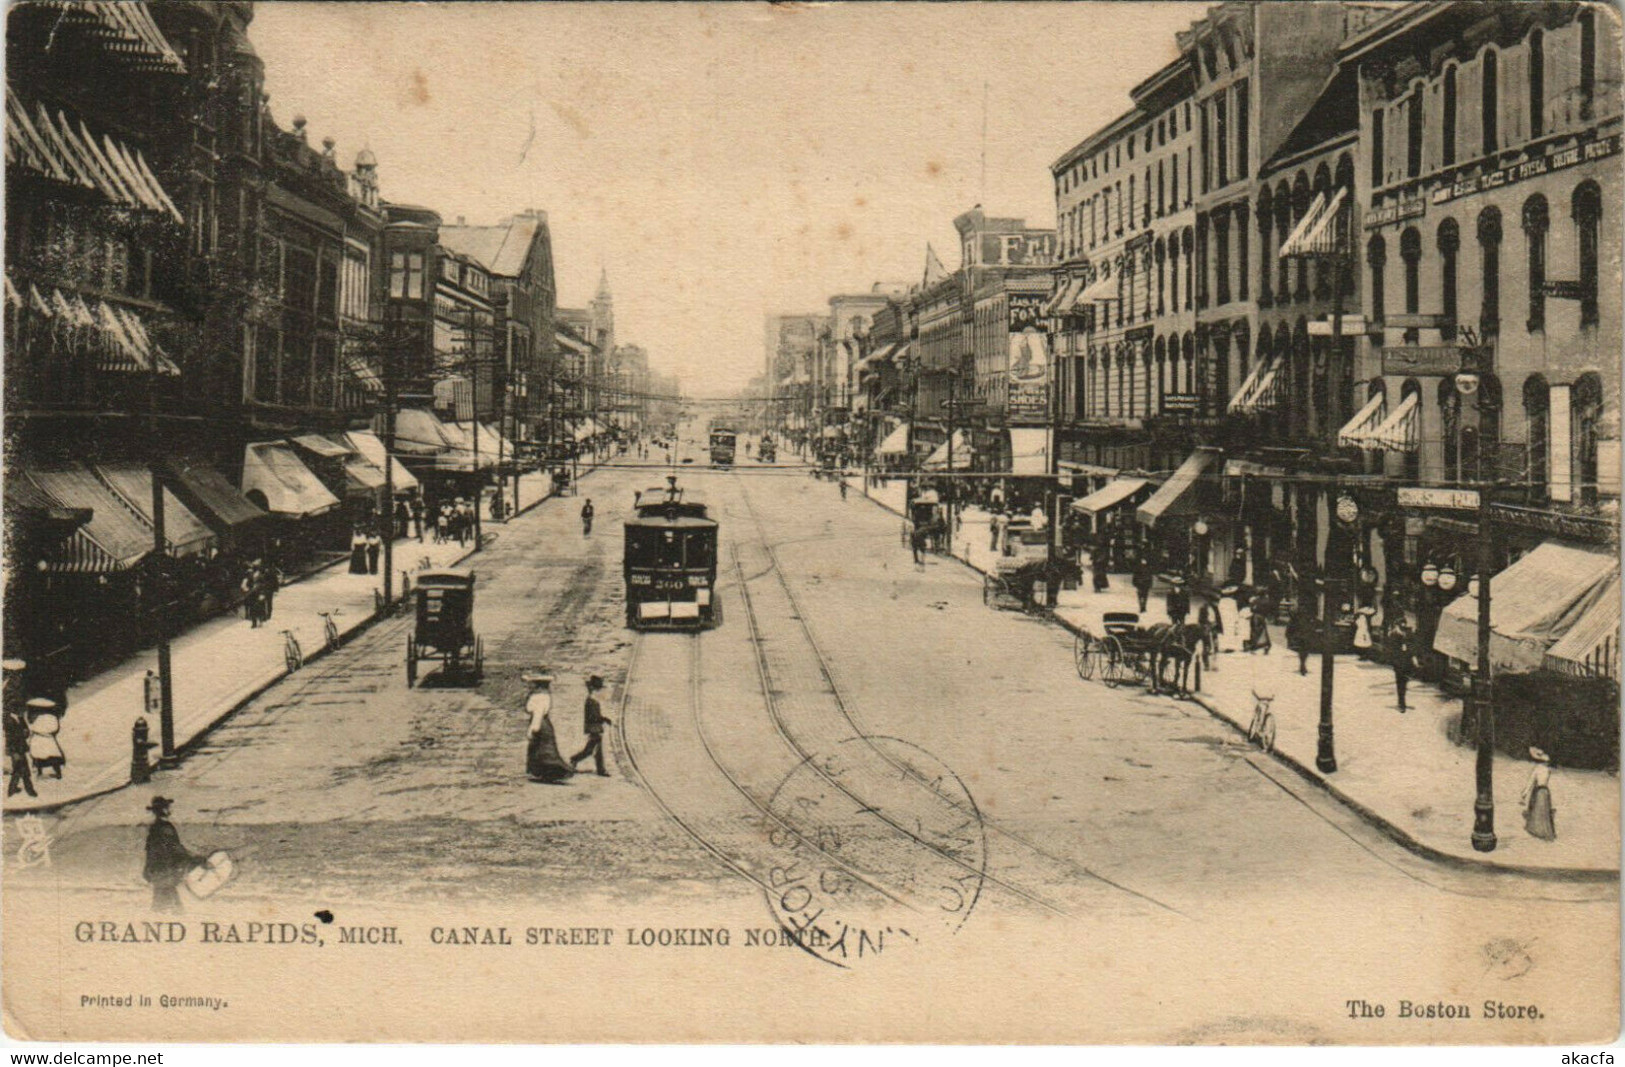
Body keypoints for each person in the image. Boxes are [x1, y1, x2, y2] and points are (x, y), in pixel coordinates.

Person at [143, 796, 201, 913]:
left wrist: (147, 868)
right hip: (167, 869)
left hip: (157, 870)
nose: (170, 810)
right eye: (167, 808)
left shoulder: (154, 828)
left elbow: (150, 851)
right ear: (164, 810)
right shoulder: (166, 827)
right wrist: (193, 858)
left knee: (161, 900)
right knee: (171, 901)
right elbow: (175, 847)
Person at [521, 671, 574, 784]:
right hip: (545, 725)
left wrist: (533, 728)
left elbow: (538, 714)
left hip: (540, 724)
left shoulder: (538, 697)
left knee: (543, 751)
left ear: (537, 684)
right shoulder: (545, 695)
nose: (529, 685)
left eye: (532, 683)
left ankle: (547, 773)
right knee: (543, 749)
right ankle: (544, 773)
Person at [570, 675, 612, 777]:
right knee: (592, 750)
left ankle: (599, 768)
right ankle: (576, 760)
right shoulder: (591, 700)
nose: (600, 691)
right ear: (593, 689)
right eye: (598, 689)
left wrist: (603, 719)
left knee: (593, 750)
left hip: (594, 727)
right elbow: (594, 717)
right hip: (594, 728)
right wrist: (604, 719)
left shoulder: (592, 699)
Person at [1521, 747, 1556, 841]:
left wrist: (1524, 793)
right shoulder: (1548, 770)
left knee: (1537, 810)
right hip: (1546, 791)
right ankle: (1546, 831)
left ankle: (1536, 830)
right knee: (1544, 811)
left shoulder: (1537, 769)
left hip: (1538, 791)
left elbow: (1531, 782)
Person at [26, 698, 64, 779]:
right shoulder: (53, 717)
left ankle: (40, 772)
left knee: (39, 755)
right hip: (48, 738)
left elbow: (32, 728)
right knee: (52, 755)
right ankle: (58, 773)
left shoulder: (35, 718)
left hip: (38, 738)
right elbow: (55, 728)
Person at [5, 700, 34, 799]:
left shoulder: (20, 718)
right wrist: (14, 752)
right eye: (21, 709)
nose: (23, 711)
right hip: (15, 750)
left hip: (21, 747)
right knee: (20, 770)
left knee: (21, 770)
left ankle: (13, 790)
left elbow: (26, 731)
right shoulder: (8, 720)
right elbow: (10, 738)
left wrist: (26, 732)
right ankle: (29, 790)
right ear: (15, 709)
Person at [1388, 618, 1414, 712]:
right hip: (1398, 663)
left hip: (1407, 662)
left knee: (1404, 682)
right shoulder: (1393, 635)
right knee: (1400, 683)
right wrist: (1394, 662)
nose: (1402, 627)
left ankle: (1402, 701)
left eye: (1404, 625)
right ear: (1397, 625)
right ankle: (1402, 703)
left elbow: (1411, 646)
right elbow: (1391, 651)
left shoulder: (1406, 634)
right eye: (1400, 625)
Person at [1288, 607, 1315, 676]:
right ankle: (1303, 664)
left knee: (1302, 651)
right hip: (1305, 635)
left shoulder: (1295, 618)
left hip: (1300, 636)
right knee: (1305, 651)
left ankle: (1302, 664)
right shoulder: (1307, 617)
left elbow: (1289, 628)